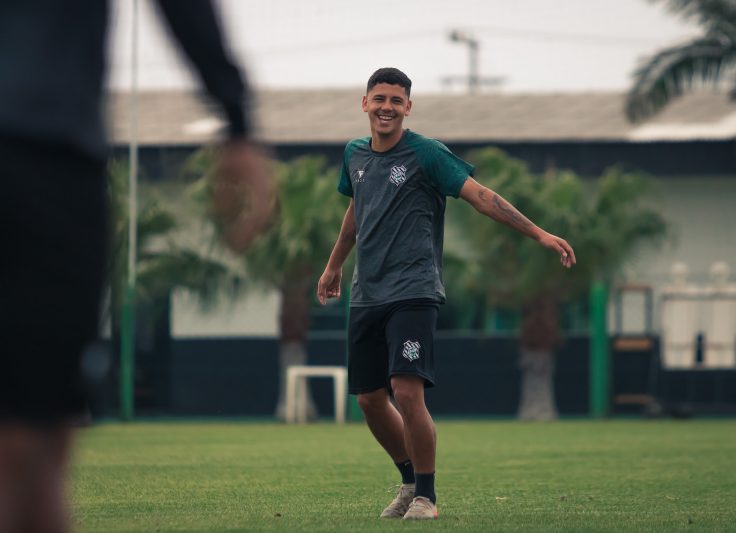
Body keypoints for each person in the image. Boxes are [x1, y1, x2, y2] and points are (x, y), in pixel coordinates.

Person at [0, 1, 274, 531]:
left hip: (45, 149)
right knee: (31, 442)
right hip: (43, 153)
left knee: (36, 442)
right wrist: (236, 119)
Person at [316, 67, 576, 521]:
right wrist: (334, 264)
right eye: (379, 98)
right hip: (367, 293)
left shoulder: (427, 154)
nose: (387, 107)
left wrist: (539, 234)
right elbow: (356, 209)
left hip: (413, 290)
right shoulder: (354, 154)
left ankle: (427, 497)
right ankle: (408, 483)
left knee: (406, 392)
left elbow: (481, 196)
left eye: (396, 100)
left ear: (408, 107)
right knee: (369, 399)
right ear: (365, 103)